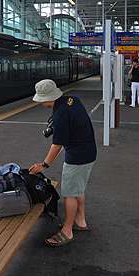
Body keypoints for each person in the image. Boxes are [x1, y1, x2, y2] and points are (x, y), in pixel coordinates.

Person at [29, 79, 96, 247]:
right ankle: (80, 222)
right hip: (89, 151)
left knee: (69, 194)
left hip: (77, 157)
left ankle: (67, 231)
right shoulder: (72, 100)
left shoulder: (59, 115)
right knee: (78, 188)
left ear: (46, 99)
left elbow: (57, 145)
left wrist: (43, 165)